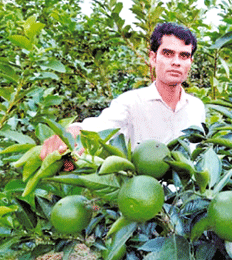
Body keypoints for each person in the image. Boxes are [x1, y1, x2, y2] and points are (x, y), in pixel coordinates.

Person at [40, 22, 206, 160]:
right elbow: (100, 126)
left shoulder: (196, 107)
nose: (176, 62)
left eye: (183, 56)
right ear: (153, 58)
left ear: (190, 61)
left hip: (188, 197)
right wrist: (73, 131)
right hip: (142, 195)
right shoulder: (132, 103)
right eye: (168, 54)